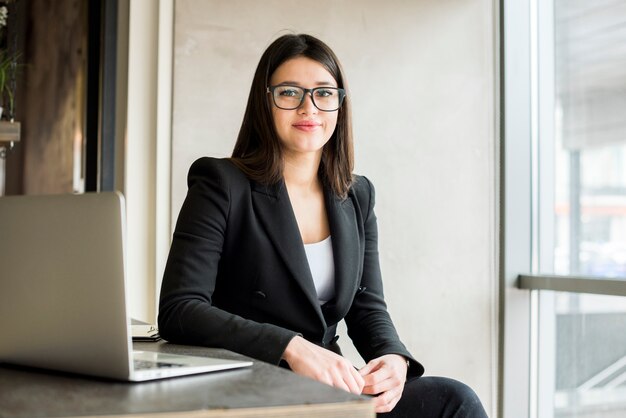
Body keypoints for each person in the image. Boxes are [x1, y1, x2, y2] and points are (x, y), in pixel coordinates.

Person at [158, 33, 488, 417]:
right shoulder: (221, 183)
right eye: (289, 93)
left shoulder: (356, 195)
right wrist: (292, 347)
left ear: (340, 105)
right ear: (265, 103)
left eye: (324, 93)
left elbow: (367, 306)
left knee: (454, 401)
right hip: (249, 390)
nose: (308, 108)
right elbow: (181, 309)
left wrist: (393, 359)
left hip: (330, 389)